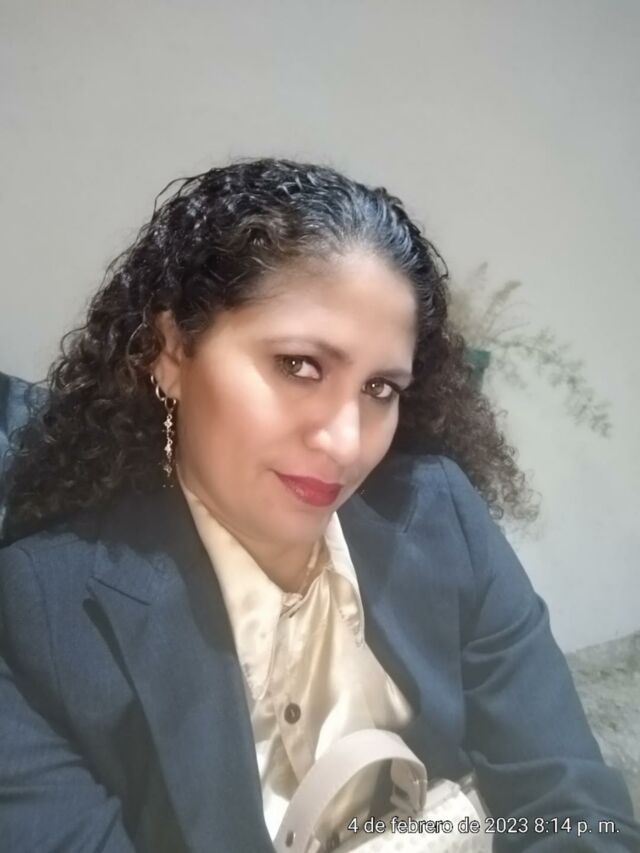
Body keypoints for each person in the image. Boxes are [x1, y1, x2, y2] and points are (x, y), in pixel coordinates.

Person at [0, 158, 637, 853]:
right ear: (172, 352)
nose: (345, 443)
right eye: (299, 366)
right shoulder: (41, 612)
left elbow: (571, 809)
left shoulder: (439, 515)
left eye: (380, 389)